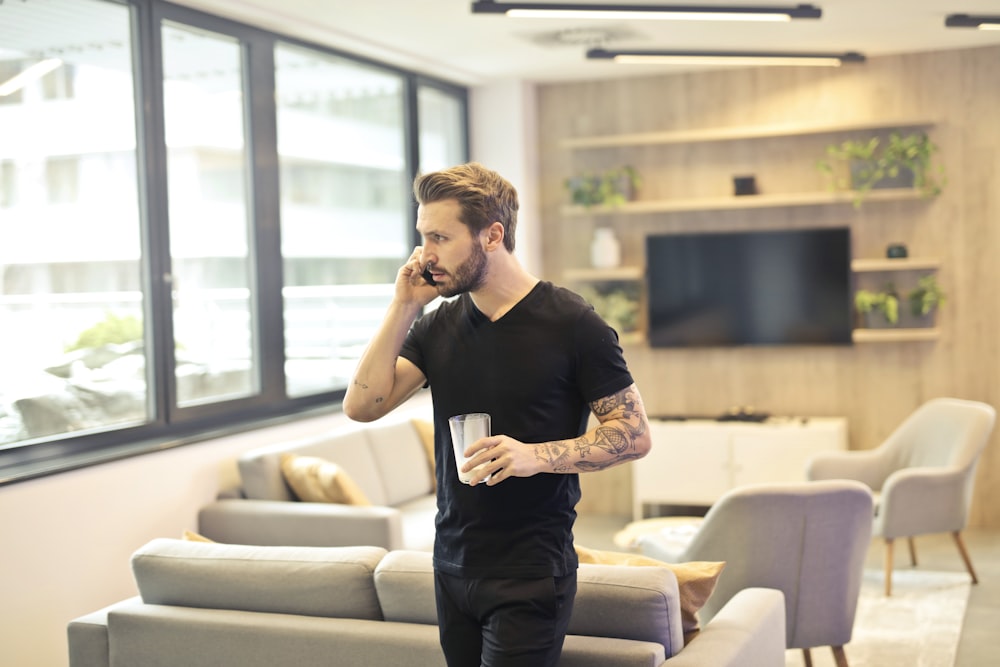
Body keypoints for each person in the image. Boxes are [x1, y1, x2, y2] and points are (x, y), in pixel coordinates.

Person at [343, 162, 651, 667]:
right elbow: (361, 406)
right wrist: (402, 307)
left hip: (531, 569)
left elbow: (634, 434)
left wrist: (534, 456)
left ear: (492, 235)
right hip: (452, 564)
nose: (426, 255)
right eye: (423, 237)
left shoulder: (573, 322)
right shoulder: (437, 325)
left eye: (440, 237)